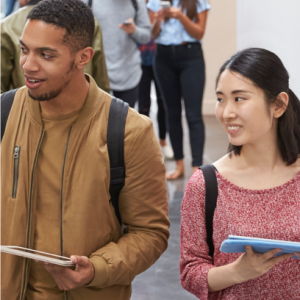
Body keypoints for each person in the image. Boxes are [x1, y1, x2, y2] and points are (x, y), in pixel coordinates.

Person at [0, 0, 170, 299]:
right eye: (25, 49)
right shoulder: (4, 113)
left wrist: (96, 268)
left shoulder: (129, 131)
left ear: (83, 57)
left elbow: (150, 233)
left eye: (46, 54)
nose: (27, 64)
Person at [180, 48, 300, 299]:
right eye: (221, 99)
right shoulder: (206, 183)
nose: (226, 113)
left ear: (278, 105)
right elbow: (191, 271)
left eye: (239, 98)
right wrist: (238, 271)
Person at [147, 0, 210, 180]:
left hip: (191, 56)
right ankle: (179, 165)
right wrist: (159, 20)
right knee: (172, 113)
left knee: (193, 115)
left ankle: (197, 169)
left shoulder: (198, 2)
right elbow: (152, 34)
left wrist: (180, 16)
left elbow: (199, 33)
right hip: (163, 57)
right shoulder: (154, 2)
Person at [0, 0, 110, 94]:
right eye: (23, 50)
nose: (27, 66)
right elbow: (100, 79)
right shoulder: (87, 23)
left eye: (46, 55)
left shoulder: (7, 26)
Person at [90, 0, 151, 108]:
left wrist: (134, 30)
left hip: (129, 73)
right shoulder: (89, 2)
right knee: (99, 122)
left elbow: (147, 36)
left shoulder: (136, 2)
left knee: (123, 123)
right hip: (97, 74)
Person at [138, 0, 173, 159]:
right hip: (140, 60)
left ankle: (163, 142)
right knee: (143, 104)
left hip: (161, 58)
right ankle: (144, 144)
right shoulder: (135, 5)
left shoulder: (161, 4)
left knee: (162, 102)